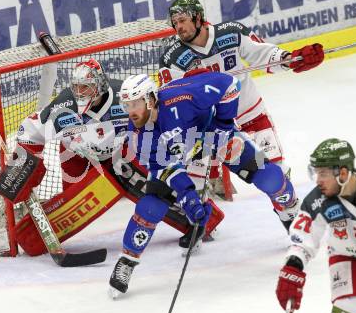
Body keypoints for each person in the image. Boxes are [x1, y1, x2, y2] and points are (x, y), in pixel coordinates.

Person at [109, 70, 298, 297]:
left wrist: (224, 123)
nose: (131, 112)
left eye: (135, 104)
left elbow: (230, 84)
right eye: (126, 105)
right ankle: (127, 261)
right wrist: (187, 194)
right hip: (181, 154)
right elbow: (163, 167)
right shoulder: (140, 134)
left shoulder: (182, 96)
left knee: (270, 176)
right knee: (151, 205)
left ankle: (292, 216)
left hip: (216, 137)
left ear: (150, 98)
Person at [13, 58, 220, 256]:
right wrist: (23, 164)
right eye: (76, 86)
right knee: (71, 205)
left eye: (86, 86)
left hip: (119, 156)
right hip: (76, 158)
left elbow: (156, 120)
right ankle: (28, 237)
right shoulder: (62, 107)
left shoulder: (125, 100)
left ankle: (201, 220)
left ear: (100, 85)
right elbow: (28, 130)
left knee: (155, 181)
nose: (79, 92)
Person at [159, 0, 324, 227]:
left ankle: (291, 220)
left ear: (198, 18)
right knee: (194, 182)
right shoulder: (172, 57)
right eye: (175, 23)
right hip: (212, 127)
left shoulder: (231, 33)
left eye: (183, 20)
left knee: (276, 173)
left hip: (250, 114)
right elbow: (169, 97)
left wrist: (290, 59)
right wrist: (190, 87)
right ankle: (203, 224)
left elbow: (263, 54)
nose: (179, 27)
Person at [276, 138, 356, 313]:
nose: (318, 181)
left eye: (323, 174)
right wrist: (293, 267)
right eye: (316, 173)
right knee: (349, 309)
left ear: (343, 173)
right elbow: (302, 239)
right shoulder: (316, 201)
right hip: (347, 256)